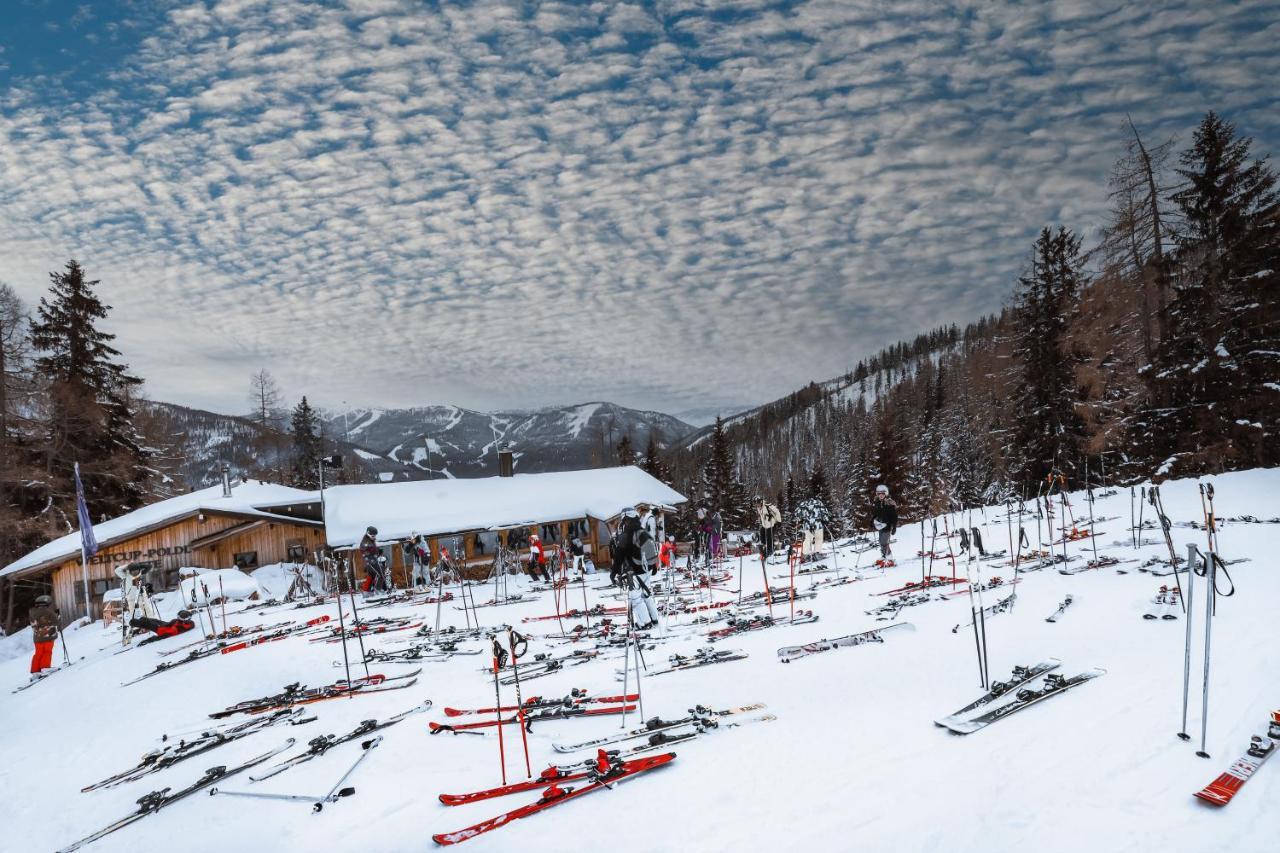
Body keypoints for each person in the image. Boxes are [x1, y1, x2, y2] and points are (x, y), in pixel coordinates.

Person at [610, 508, 659, 630]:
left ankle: (645, 623)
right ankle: (654, 618)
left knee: (636, 598)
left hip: (635, 570)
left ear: (626, 519)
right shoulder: (642, 531)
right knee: (646, 594)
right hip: (647, 568)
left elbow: (619, 555)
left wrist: (614, 572)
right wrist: (653, 566)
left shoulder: (626, 534)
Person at [28, 595, 59, 680]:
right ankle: (45, 667)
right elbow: (56, 622)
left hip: (37, 637)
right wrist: (57, 615)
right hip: (48, 636)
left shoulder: (32, 612)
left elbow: (33, 624)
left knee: (38, 653)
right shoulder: (49, 612)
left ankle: (35, 672)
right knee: (47, 651)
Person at [130, 610, 197, 644]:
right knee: (147, 619)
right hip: (164, 624)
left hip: (160, 629)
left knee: (146, 623)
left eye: (179, 617)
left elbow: (164, 636)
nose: (178, 618)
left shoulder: (176, 629)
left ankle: (131, 623)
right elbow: (190, 624)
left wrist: (149, 640)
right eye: (178, 616)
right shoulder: (188, 623)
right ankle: (139, 628)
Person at [872, 485, 899, 563]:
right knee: (881, 541)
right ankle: (884, 556)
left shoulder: (889, 503)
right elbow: (876, 514)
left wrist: (894, 527)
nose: (881, 495)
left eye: (882, 493)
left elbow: (894, 516)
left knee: (884, 542)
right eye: (879, 493)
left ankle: (890, 558)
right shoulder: (877, 502)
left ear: (885, 494)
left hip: (887, 525)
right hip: (880, 524)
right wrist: (872, 521)